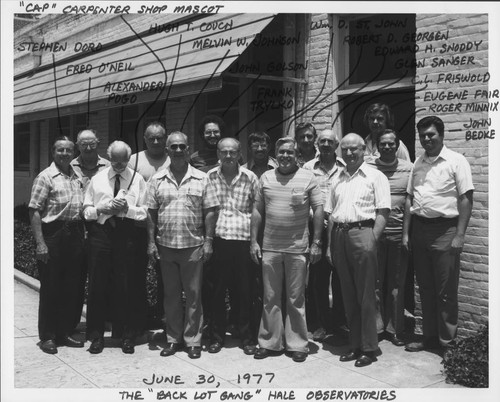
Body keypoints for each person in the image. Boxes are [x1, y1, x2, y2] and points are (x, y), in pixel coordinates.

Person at [403, 116, 474, 353]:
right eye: (422, 135)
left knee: (445, 290)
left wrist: (460, 235)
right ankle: (429, 337)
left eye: (431, 135)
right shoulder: (418, 162)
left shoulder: (456, 161)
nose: (426, 139)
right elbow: (410, 197)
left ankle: (447, 343)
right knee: (425, 287)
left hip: (445, 230)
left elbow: (465, 198)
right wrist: (407, 233)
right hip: (420, 229)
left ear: (441, 135)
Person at [250, 137, 323, 363]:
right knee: (270, 297)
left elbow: (318, 209)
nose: (284, 156)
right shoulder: (266, 177)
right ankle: (270, 342)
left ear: (297, 155)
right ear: (275, 154)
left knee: (296, 298)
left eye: (289, 153)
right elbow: (257, 210)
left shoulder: (308, 177)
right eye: (281, 152)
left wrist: (317, 242)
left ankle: (298, 344)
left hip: (297, 248)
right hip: (270, 247)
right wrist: (253, 241)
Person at [147, 132, 219, 359]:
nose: (178, 150)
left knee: (194, 295)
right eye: (174, 147)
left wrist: (208, 241)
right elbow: (150, 213)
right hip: (166, 246)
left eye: (182, 146)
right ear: (167, 151)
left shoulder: (201, 178)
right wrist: (150, 243)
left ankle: (193, 341)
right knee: (170, 296)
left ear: (188, 150)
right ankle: (173, 339)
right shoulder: (157, 179)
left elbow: (210, 212)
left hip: (193, 246)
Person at [325, 133, 391, 367]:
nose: (350, 153)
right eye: (345, 149)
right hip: (339, 235)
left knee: (366, 294)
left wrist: (372, 239)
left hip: (364, 233)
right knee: (348, 293)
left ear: (364, 150)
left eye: (355, 149)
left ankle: (369, 348)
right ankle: (355, 344)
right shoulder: (337, 178)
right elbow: (331, 213)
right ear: (340, 151)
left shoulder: (376, 176)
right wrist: (330, 247)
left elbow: (383, 212)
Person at [83, 140, 148, 355]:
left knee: (126, 284)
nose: (119, 166)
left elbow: (144, 212)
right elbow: (86, 211)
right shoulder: (97, 179)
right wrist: (102, 208)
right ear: (108, 158)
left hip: (127, 234)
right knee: (97, 285)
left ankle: (126, 336)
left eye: (123, 162)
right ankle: (96, 336)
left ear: (128, 159)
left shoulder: (137, 180)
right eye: (115, 162)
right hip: (101, 235)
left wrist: (128, 209)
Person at [28, 136, 86, 354]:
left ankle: (64, 332)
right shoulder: (45, 177)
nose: (65, 154)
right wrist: (40, 243)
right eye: (60, 150)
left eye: (68, 150)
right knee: (51, 287)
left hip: (75, 233)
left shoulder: (77, 175)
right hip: (54, 234)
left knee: (72, 287)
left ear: (73, 153)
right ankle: (48, 336)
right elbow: (34, 210)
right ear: (53, 152)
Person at [207, 138, 260, 355]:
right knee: (217, 292)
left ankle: (246, 337)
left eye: (232, 152)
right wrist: (208, 241)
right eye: (224, 152)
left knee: (244, 291)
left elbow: (257, 210)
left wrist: (254, 241)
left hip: (243, 240)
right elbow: (208, 211)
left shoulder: (250, 177)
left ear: (240, 154)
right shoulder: (210, 177)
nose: (228, 156)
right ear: (218, 153)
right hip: (219, 241)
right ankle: (217, 337)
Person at [366, 130, 413, 346]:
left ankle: (395, 329)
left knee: (396, 283)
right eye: (382, 144)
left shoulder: (408, 168)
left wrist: (405, 234)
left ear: (397, 146)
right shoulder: (368, 167)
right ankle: (376, 326)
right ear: (377, 146)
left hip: (396, 233)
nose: (386, 147)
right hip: (374, 233)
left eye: (390, 144)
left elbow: (409, 203)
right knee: (374, 281)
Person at [303, 129, 346, 342]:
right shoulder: (308, 168)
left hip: (339, 229)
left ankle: (338, 324)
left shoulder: (345, 168)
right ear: (317, 144)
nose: (326, 144)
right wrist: (317, 216)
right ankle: (318, 323)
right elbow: (303, 197)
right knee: (318, 280)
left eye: (330, 141)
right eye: (323, 141)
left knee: (340, 278)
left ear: (336, 145)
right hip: (315, 229)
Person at [128, 121, 171, 328]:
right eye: (151, 138)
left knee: (165, 277)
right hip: (136, 229)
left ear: (166, 139)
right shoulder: (133, 161)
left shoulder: (174, 160)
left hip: (165, 229)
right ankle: (139, 317)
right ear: (145, 139)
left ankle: (163, 316)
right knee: (136, 275)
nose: (155, 141)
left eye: (160, 137)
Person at [70, 129, 110, 331]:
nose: (87, 148)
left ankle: (101, 321)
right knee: (75, 277)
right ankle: (71, 323)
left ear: (98, 143)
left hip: (100, 227)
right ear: (77, 145)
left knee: (100, 277)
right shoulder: (69, 166)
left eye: (91, 144)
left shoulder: (108, 166)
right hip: (75, 228)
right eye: (83, 144)